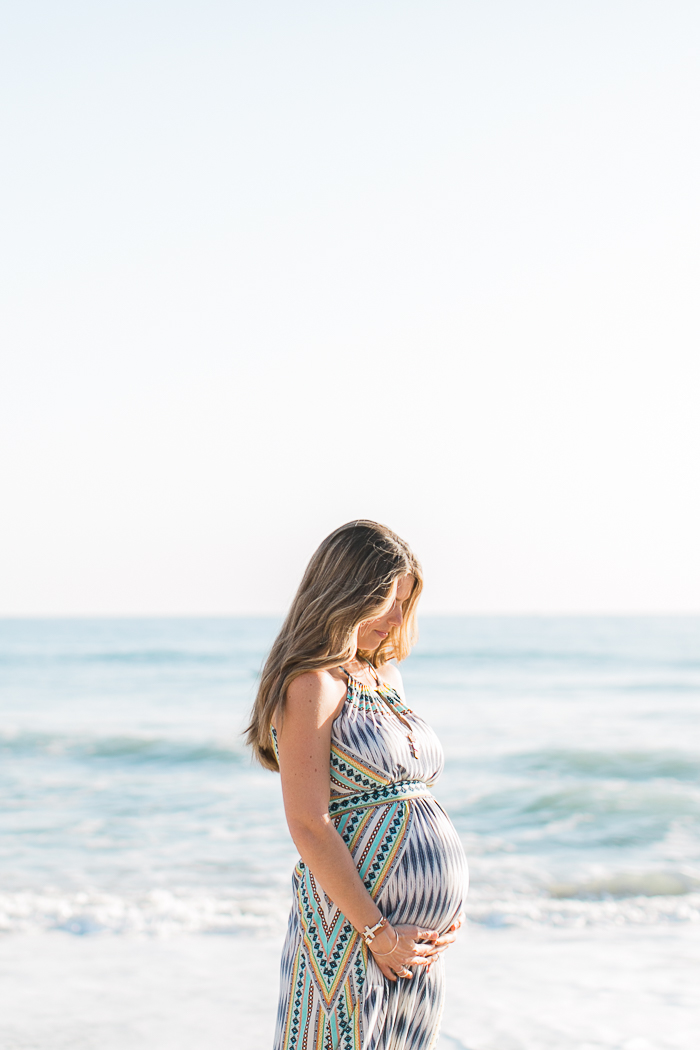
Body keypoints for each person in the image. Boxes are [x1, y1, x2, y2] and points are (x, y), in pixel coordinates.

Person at [246, 520, 468, 1050]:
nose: (396, 619)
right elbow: (308, 823)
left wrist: (438, 908)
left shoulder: (385, 677)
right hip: (355, 936)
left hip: (410, 950)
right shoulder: (311, 684)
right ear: (347, 593)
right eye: (388, 600)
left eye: (405, 603)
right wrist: (380, 934)